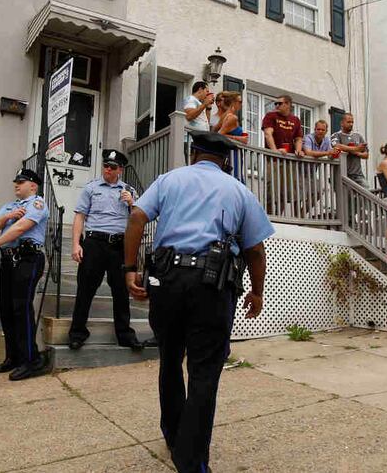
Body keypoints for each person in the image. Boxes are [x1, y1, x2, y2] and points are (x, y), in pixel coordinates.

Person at [123, 131, 274, 473]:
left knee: (170, 359)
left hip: (167, 281)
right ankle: (191, 462)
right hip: (212, 287)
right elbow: (255, 249)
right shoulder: (240, 191)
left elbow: (136, 218)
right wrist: (257, 291)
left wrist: (129, 269)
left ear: (193, 154)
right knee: (204, 372)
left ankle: (173, 435)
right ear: (226, 161)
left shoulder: (169, 179)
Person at [68, 149, 144, 351]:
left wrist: (132, 203)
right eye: (105, 166)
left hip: (119, 245)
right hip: (94, 243)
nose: (107, 170)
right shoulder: (91, 188)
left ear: (120, 169)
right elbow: (80, 217)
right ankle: (77, 333)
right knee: (85, 288)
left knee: (120, 290)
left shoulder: (130, 190)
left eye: (112, 167)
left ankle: (125, 335)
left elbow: (137, 220)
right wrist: (76, 244)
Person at [0, 168, 49, 381]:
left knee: (21, 309)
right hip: (8, 259)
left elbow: (23, 227)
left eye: (21, 182)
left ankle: (31, 360)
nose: (16, 185)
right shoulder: (10, 206)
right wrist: (8, 216)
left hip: (28, 258)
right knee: (6, 309)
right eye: (16, 181)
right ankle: (13, 356)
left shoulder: (37, 203)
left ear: (33, 185)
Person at [262, 95, 303, 215]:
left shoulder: (295, 120)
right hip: (273, 160)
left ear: (288, 104)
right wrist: (275, 151)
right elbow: (268, 134)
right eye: (276, 103)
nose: (276, 106)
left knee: (285, 192)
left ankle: (278, 216)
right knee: (271, 191)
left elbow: (299, 138)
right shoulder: (271, 116)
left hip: (288, 160)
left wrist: (299, 150)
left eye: (279, 103)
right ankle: (269, 216)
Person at [330, 112, 368, 187]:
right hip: (342, 175)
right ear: (342, 123)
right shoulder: (336, 135)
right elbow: (337, 146)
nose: (351, 124)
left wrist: (357, 153)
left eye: (352, 122)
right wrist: (355, 148)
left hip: (358, 175)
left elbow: (366, 155)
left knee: (367, 194)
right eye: (348, 122)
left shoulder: (358, 136)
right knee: (345, 198)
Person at [218, 91, 248, 182]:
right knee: (234, 179)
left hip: (232, 153)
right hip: (232, 154)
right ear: (233, 102)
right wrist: (240, 139)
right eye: (240, 102)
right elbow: (219, 135)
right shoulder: (232, 117)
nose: (241, 104)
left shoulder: (224, 115)